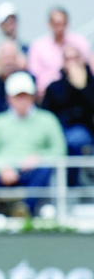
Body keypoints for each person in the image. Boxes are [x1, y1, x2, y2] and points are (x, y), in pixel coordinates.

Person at [0, 72, 66, 215]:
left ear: (33, 97)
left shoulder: (48, 120)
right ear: (9, 98)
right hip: (3, 172)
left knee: (44, 169)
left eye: (25, 95)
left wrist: (39, 157)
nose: (22, 100)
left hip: (33, 172)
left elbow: (59, 150)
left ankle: (25, 210)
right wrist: (2, 169)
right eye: (18, 96)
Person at [41, 44, 94, 183]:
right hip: (60, 130)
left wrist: (82, 87)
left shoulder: (91, 86)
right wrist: (72, 84)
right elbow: (46, 115)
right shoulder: (54, 87)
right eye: (68, 59)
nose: (72, 62)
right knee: (74, 139)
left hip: (88, 131)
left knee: (78, 138)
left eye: (75, 58)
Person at [27, 6, 91, 98]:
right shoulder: (38, 46)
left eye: (63, 23)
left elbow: (87, 68)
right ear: (49, 24)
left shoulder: (80, 42)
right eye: (56, 24)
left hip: (78, 92)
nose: (60, 28)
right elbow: (34, 74)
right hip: (48, 95)